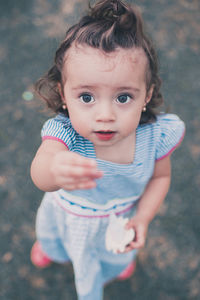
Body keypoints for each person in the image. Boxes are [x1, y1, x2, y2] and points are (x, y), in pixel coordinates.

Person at [30, 0, 185, 299]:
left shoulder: (156, 135)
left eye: (123, 97)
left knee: (116, 257)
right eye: (86, 97)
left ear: (146, 95)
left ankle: (113, 265)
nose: (105, 115)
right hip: (69, 218)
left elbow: (160, 178)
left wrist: (142, 219)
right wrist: (54, 170)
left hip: (119, 221)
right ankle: (51, 249)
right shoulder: (64, 134)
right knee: (55, 239)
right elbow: (42, 171)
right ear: (64, 95)